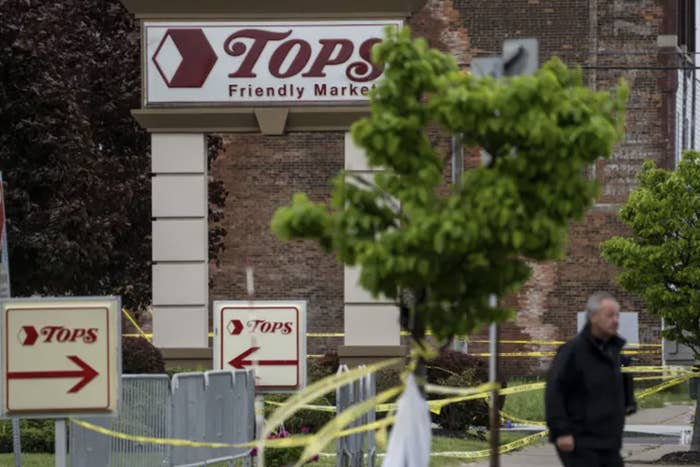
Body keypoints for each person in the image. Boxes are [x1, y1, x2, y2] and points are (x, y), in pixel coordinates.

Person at [545, 291, 632, 467]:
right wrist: (561, 431)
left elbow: (618, 381)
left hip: (608, 441)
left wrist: (629, 402)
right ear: (593, 317)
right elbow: (555, 391)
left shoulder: (611, 351)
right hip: (580, 441)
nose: (615, 320)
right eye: (609, 315)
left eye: (617, 315)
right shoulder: (573, 351)